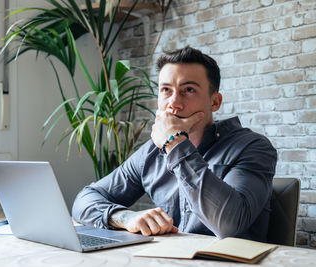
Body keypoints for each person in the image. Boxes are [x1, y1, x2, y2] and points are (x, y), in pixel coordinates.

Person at [72, 46, 277, 242]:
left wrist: (175, 143)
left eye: (188, 90)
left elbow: (228, 226)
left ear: (214, 102)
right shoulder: (151, 152)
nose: (174, 103)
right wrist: (125, 218)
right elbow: (85, 200)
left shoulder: (253, 147)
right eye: (166, 90)